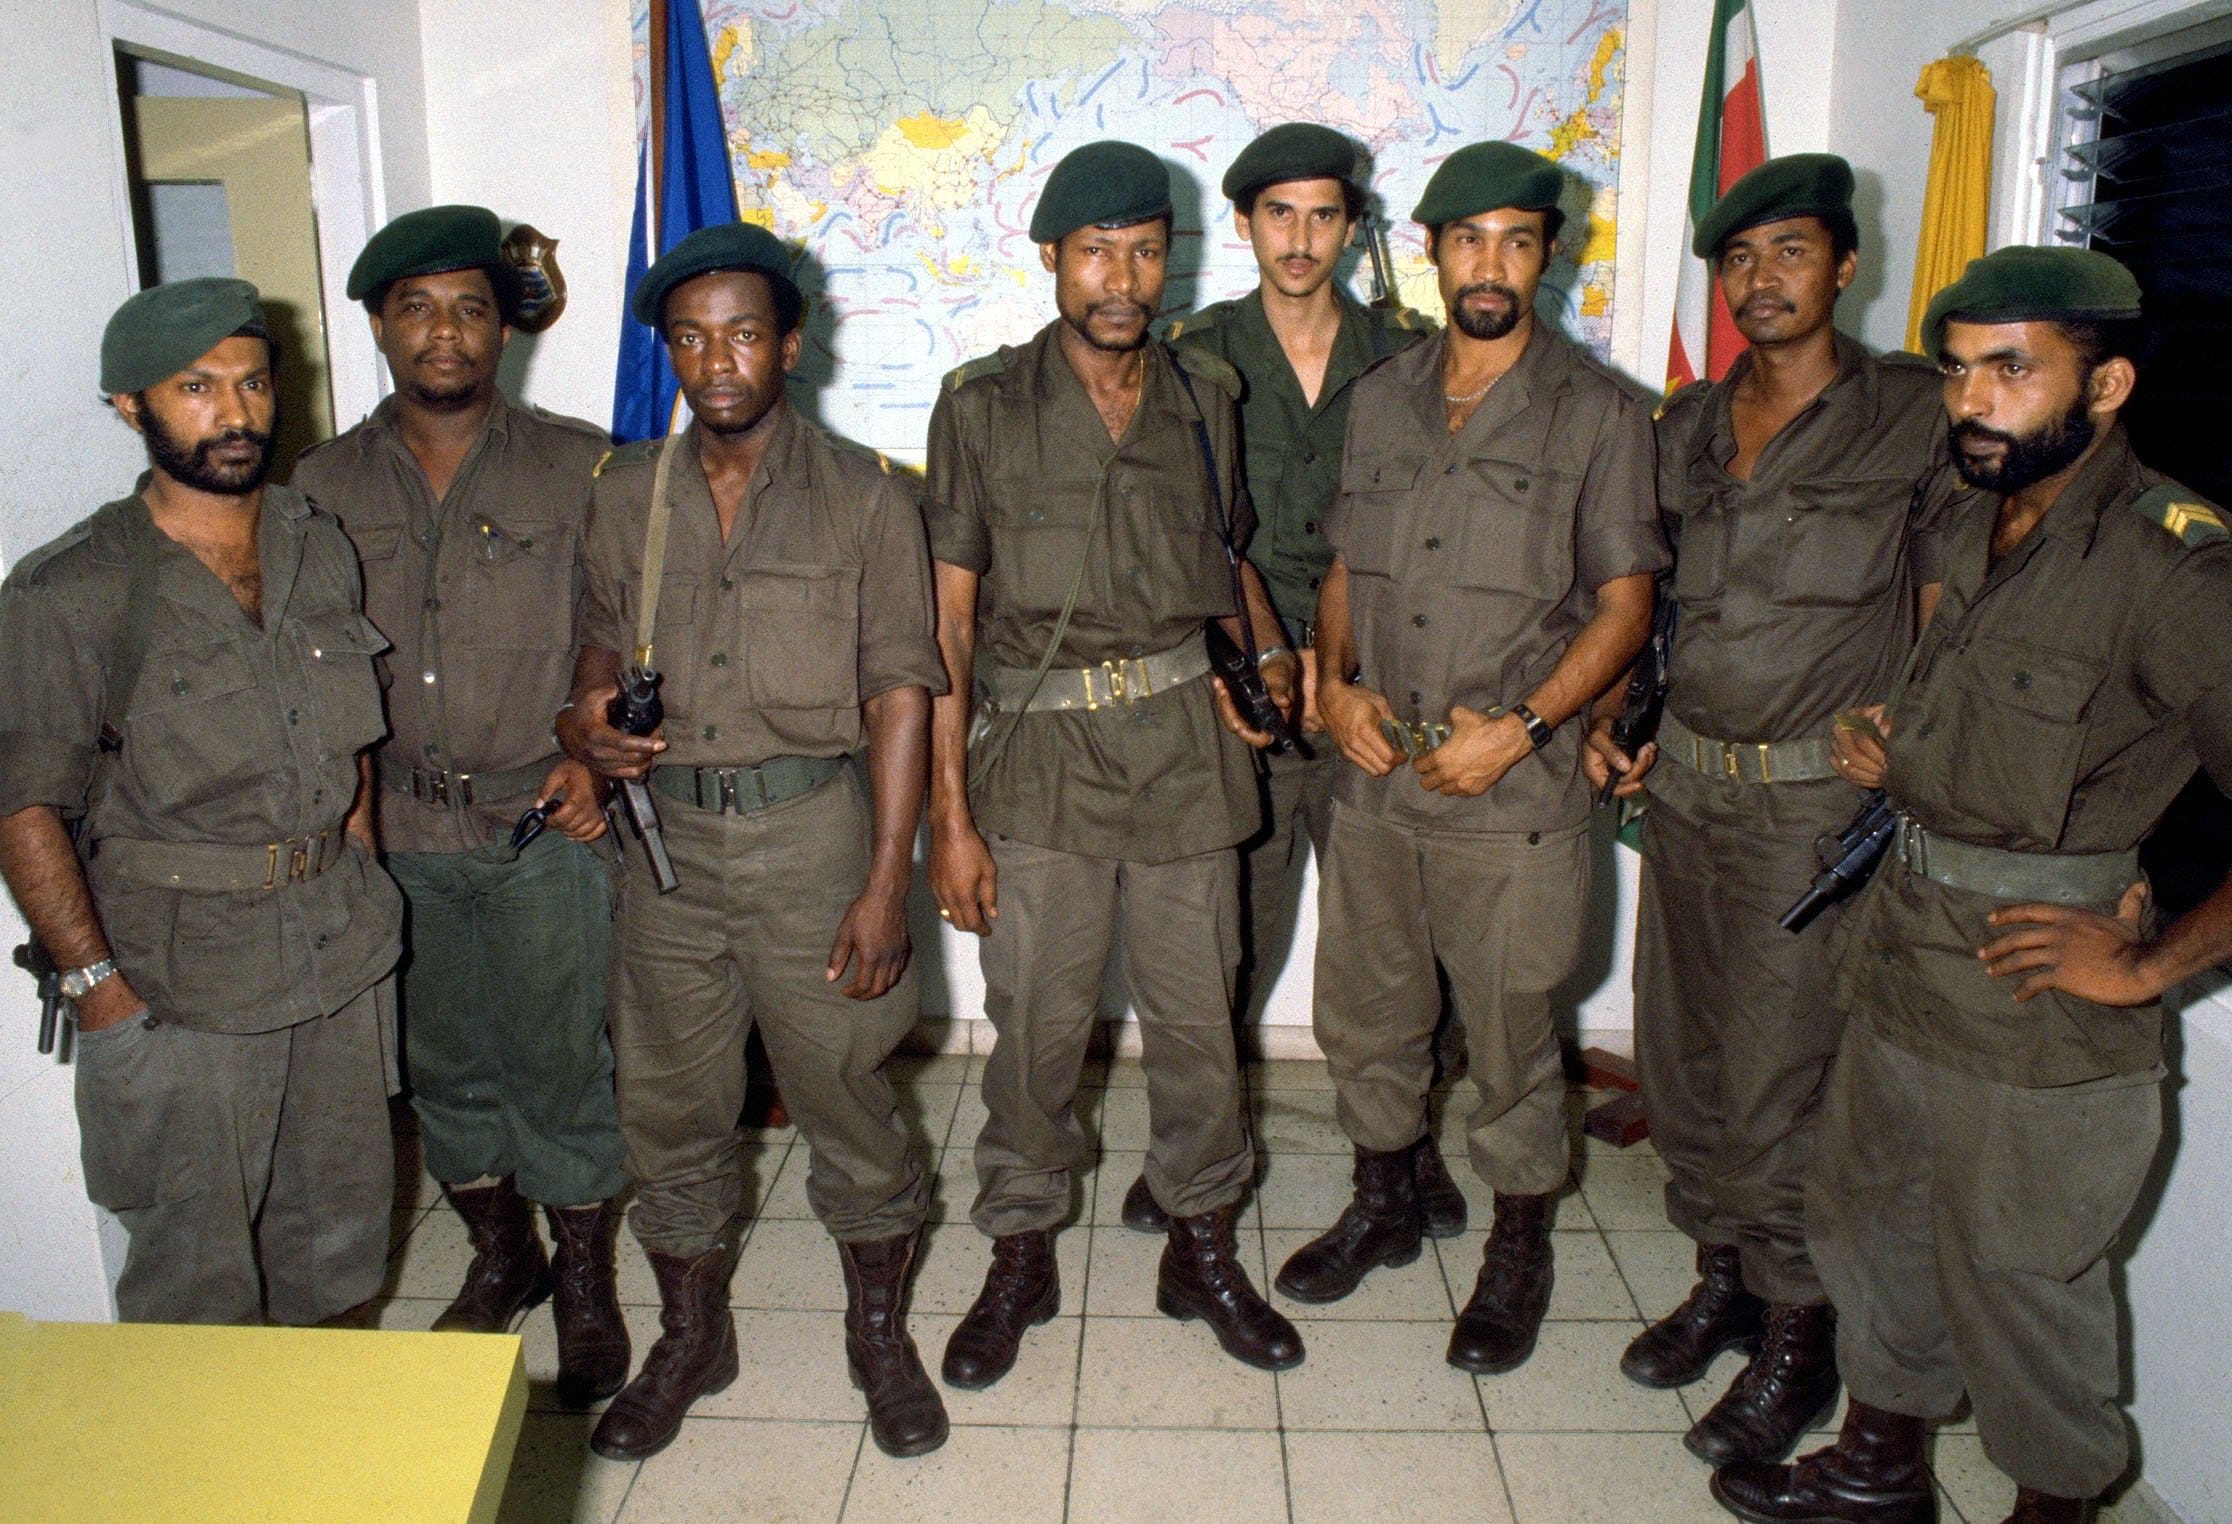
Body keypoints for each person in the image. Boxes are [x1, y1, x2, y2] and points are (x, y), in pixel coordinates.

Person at [1711, 248, 2232, 1524]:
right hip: (1903, 953)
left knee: (2020, 1280)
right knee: (1872, 1227)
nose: (1972, 401)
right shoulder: (1972, 514)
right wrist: (1898, 745)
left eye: (2012, 369)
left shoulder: (2171, 565)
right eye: (1958, 371)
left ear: (2102, 383)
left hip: (2035, 997)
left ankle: (2051, 1506)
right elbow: (1998, 714)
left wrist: (2152, 964)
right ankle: (1884, 1466)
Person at [1580, 155, 1961, 1466]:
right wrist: (1621, 716)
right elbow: (1661, 603)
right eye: (1740, 260)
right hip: (1686, 792)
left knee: (1785, 1084)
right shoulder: (1687, 427)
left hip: (1813, 813)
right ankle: (1727, 1281)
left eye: (1792, 253)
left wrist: (1919, 735)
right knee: (1685, 1060)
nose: (1762, 280)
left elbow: (1960, 590)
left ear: (1845, 267)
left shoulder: (1911, 418)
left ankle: (1803, 1337)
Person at [558, 222, 951, 1460]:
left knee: (847, 1094)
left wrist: (890, 880)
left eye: (742, 332)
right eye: (690, 337)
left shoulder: (872, 496)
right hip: (667, 850)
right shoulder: (628, 494)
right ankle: (693, 1334)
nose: (716, 358)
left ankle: (878, 1335)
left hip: (813, 840)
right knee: (669, 1107)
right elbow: (598, 645)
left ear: (791, 342)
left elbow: (902, 690)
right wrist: (583, 718)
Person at [925, 140, 1304, 1389]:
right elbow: (949, 625)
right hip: (1038, 761)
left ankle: (1201, 1243)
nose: (1122, 277)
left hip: (1189, 755)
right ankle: (1021, 1249)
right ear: (1050, 259)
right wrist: (951, 818)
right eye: (1097, 251)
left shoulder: (1208, 396)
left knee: (1202, 1025)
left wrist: (1271, 653)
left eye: (1146, 251)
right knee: (1035, 1026)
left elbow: (1229, 558)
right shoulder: (982, 404)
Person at [1292, 142, 1665, 1376]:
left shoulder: (1600, 413)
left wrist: (1530, 727)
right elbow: (1347, 564)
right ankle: (1387, 1199)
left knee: (1510, 1034)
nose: (1490, 264)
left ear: (1547, 255)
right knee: (1368, 1014)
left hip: (1515, 792)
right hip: (1378, 781)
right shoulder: (1385, 396)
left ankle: (1517, 1246)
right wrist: (1333, 683)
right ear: (1437, 252)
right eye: (1468, 240)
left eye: (1517, 240)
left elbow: (1626, 602)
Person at [0, 277, 403, 1324]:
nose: (235, 412)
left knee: (343, 1247)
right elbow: (22, 807)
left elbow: (349, 739)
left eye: (253, 382)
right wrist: (100, 989)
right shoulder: (70, 589)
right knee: (195, 1285)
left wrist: (356, 861)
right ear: (130, 406)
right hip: (180, 982)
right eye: (195, 387)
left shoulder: (317, 543)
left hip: (338, 956)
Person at [291, 205, 628, 1400]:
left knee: (560, 1064)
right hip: (392, 831)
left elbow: (620, 625)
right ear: (381, 325)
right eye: (419, 310)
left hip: (543, 822)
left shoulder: (582, 463)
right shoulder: (318, 485)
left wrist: (591, 747)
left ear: (504, 331)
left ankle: (586, 1287)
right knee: (441, 1067)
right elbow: (310, 661)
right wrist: (346, 801)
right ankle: (504, 1261)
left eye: (472, 310)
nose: (446, 334)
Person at [1112, 123, 1466, 1242]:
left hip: (1382, 699)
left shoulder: (1414, 356)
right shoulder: (1190, 354)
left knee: (1407, 951)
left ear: (1352, 228)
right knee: (1221, 945)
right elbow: (1182, 529)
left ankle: (1404, 1153)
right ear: (1247, 225)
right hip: (1242, 703)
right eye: (1279, 214)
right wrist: (1272, 655)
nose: (1300, 238)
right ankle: (1195, 1151)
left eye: (1323, 215)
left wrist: (1345, 662)